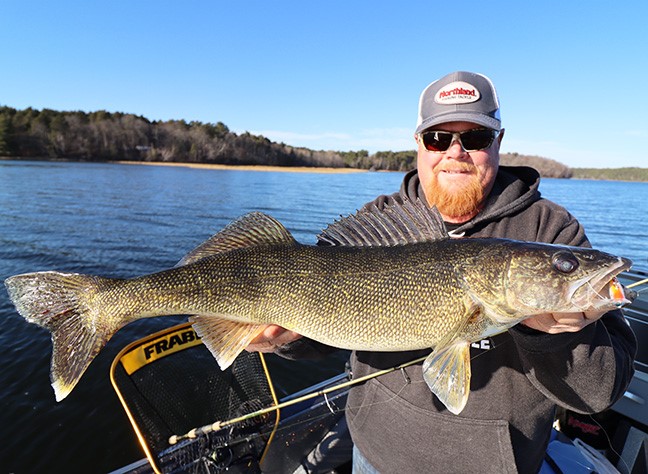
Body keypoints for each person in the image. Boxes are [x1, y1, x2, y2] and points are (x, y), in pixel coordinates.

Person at [246, 71, 637, 473]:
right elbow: (334, 333)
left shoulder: (550, 231)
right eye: (438, 138)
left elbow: (598, 391)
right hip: (374, 454)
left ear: (498, 142)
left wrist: (554, 336)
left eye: (475, 138)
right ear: (418, 144)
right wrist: (285, 339)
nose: (455, 151)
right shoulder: (379, 223)